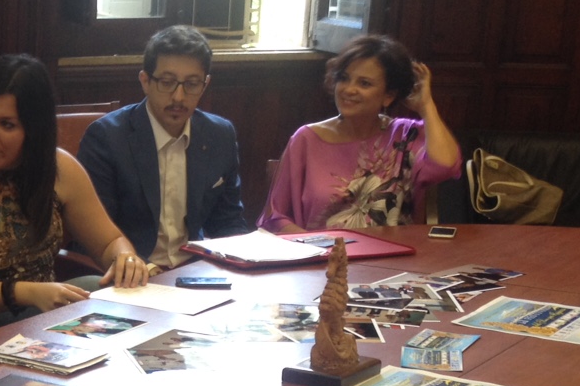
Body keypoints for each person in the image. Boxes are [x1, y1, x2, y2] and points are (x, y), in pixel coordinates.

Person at [0, 54, 151, 328]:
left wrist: (125, 257)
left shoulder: (59, 166)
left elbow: (108, 242)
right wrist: (26, 292)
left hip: (47, 310)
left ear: (35, 129)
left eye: (7, 124)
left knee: (107, 291)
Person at [77, 25, 246, 268]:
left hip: (195, 271)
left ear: (205, 85)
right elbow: (95, 235)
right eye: (167, 82)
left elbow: (229, 222)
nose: (178, 97)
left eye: (191, 84)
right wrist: (136, 267)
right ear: (145, 81)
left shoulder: (219, 135)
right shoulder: (107, 138)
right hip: (132, 273)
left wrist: (242, 264)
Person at [260, 34, 461, 232]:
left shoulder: (405, 135)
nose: (349, 90)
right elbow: (274, 217)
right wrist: (315, 248)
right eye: (344, 78)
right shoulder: (306, 139)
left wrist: (426, 106)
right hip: (320, 252)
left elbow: (446, 167)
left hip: (393, 252)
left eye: (364, 83)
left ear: (388, 95)